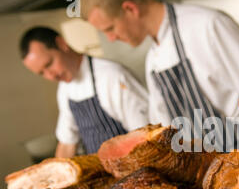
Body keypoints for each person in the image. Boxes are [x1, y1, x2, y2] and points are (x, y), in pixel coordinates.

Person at [79, 0, 239, 152]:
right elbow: (164, 128)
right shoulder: (152, 60)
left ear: (130, 9)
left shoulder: (207, 25)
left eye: (110, 28)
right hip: (209, 172)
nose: (111, 38)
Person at [20, 26, 149, 157]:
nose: (50, 76)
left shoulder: (112, 76)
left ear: (61, 44)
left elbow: (144, 135)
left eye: (49, 64)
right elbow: (66, 143)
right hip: (99, 172)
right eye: (41, 73)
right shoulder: (64, 89)